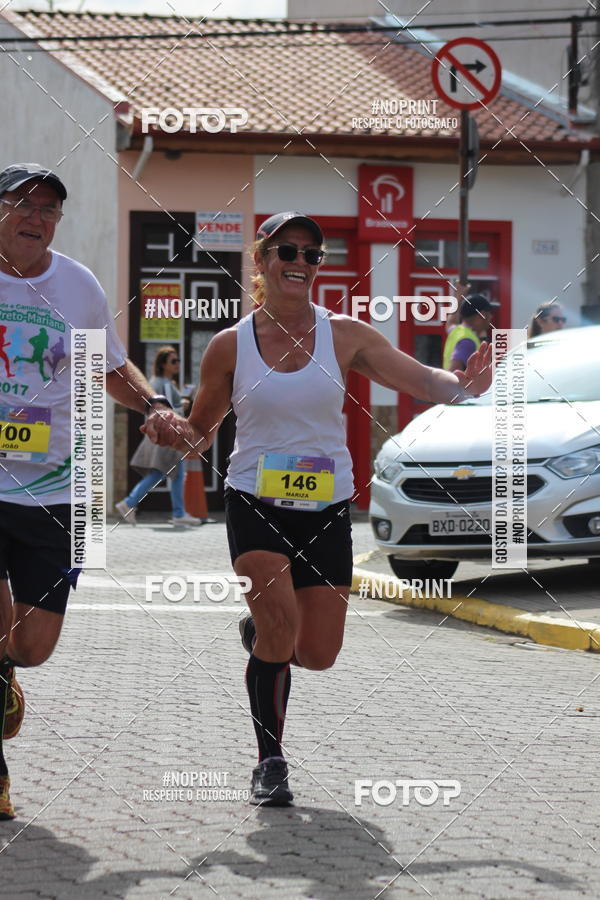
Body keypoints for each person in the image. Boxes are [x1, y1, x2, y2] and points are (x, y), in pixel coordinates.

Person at [143, 211, 493, 806]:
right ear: (262, 261)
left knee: (318, 653)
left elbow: (422, 381)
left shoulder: (347, 335)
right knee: (281, 624)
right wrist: (170, 427)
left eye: (312, 254)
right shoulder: (230, 346)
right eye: (287, 251)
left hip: (326, 505)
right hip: (255, 498)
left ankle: (260, 635)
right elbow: (202, 434)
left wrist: (464, 384)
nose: (300, 263)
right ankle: (270, 761)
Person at [0, 163, 174, 819]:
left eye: (48, 208)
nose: (35, 216)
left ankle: (9, 671)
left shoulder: (77, 286)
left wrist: (154, 402)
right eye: (21, 203)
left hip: (53, 491)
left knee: (32, 644)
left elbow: (110, 366)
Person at [115, 346, 202, 527]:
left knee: (166, 473)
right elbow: (159, 410)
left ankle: (131, 503)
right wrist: (182, 407)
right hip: (167, 436)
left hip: (169, 435)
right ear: (163, 364)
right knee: (167, 473)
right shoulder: (158, 384)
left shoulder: (167, 383)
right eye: (173, 361)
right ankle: (133, 503)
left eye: (177, 360)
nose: (177, 364)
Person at [442, 293, 498, 371]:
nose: (491, 317)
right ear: (481, 315)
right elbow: (453, 372)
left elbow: (451, 322)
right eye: (489, 313)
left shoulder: (456, 331)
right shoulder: (468, 341)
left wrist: (458, 295)